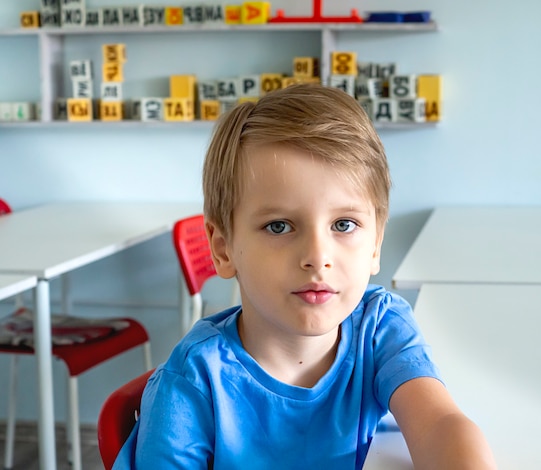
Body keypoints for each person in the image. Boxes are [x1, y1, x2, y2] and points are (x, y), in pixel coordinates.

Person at [113, 83, 496, 469]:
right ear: (224, 248)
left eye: (344, 224)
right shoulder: (192, 384)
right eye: (279, 226)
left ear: (376, 244)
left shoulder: (379, 327)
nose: (317, 257)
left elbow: (440, 424)